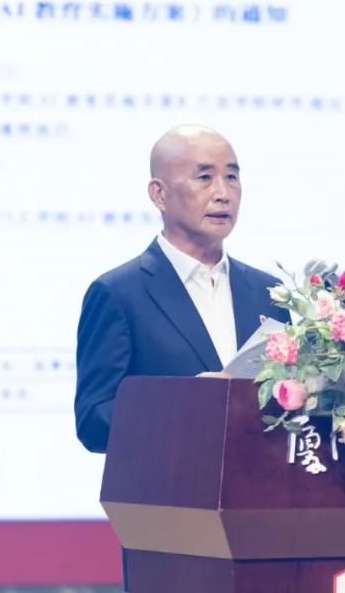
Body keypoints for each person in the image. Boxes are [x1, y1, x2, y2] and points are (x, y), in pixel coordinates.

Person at [74, 125, 291, 452]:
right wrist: (183, 407)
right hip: (169, 482)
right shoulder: (118, 294)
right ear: (159, 194)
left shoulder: (267, 292)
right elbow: (93, 421)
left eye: (232, 177)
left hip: (259, 481)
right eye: (204, 178)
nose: (223, 193)